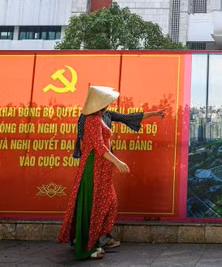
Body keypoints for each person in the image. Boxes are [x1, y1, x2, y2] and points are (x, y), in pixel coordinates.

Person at [57, 85, 166, 260]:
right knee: (93, 206)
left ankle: (97, 239)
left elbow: (129, 117)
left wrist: (153, 113)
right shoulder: (89, 119)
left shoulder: (103, 115)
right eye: (106, 101)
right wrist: (118, 161)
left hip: (103, 167)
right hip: (95, 167)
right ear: (98, 102)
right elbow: (98, 146)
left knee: (109, 203)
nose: (109, 103)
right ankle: (86, 246)